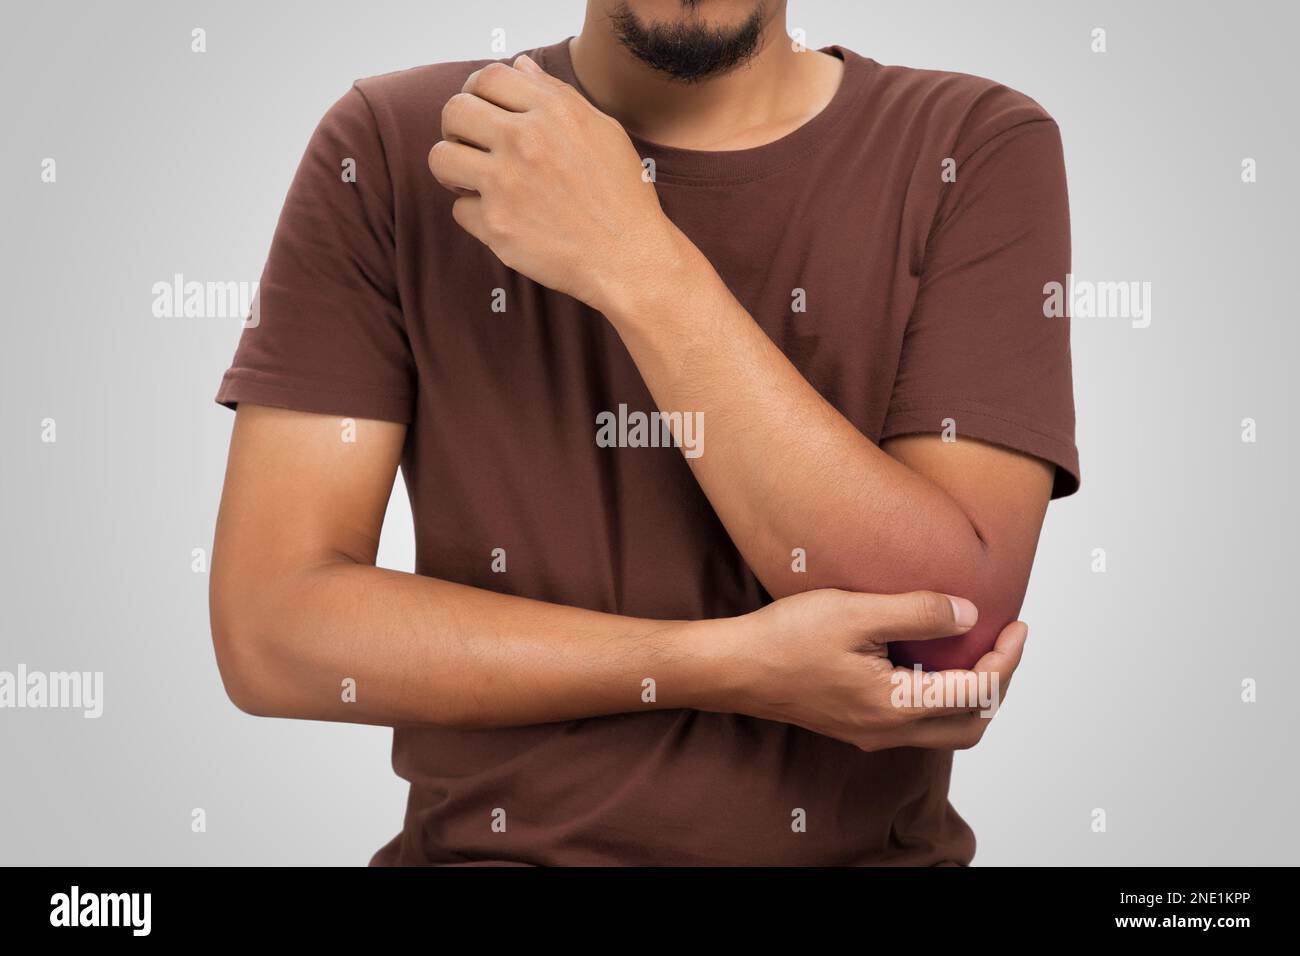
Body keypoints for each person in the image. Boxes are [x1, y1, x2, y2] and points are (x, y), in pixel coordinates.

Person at [210, 0, 1079, 865]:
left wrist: (634, 257)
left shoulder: (972, 143)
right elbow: (273, 631)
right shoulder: (405, 142)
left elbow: (944, 639)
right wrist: (720, 664)